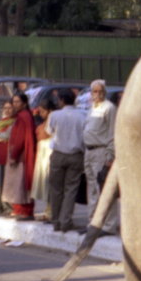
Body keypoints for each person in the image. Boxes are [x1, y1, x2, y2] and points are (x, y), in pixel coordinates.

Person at [46, 88, 86, 233]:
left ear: (61, 100)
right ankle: (66, 222)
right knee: (71, 190)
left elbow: (49, 131)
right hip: (76, 155)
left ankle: (56, 221)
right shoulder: (82, 116)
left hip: (58, 154)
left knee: (56, 189)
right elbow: (85, 136)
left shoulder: (54, 115)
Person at [83, 80, 120, 235]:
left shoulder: (109, 108)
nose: (96, 94)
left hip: (101, 151)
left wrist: (110, 156)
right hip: (89, 151)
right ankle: (93, 222)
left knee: (104, 189)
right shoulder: (91, 108)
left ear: (104, 92)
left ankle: (108, 225)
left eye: (99, 91)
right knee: (91, 189)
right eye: (94, 92)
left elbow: (112, 133)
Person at [4, 91, 37, 220]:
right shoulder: (22, 116)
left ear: (24, 103)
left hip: (21, 156)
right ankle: (19, 209)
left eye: (18, 102)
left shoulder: (23, 116)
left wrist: (14, 154)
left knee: (21, 183)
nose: (15, 104)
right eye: (14, 102)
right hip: (20, 154)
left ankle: (25, 211)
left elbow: (20, 139)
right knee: (19, 184)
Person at [29, 93, 57, 221]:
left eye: (43, 111)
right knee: (47, 184)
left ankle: (51, 211)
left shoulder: (52, 122)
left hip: (48, 154)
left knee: (50, 183)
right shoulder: (45, 122)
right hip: (43, 154)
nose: (40, 114)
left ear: (50, 111)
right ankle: (48, 210)